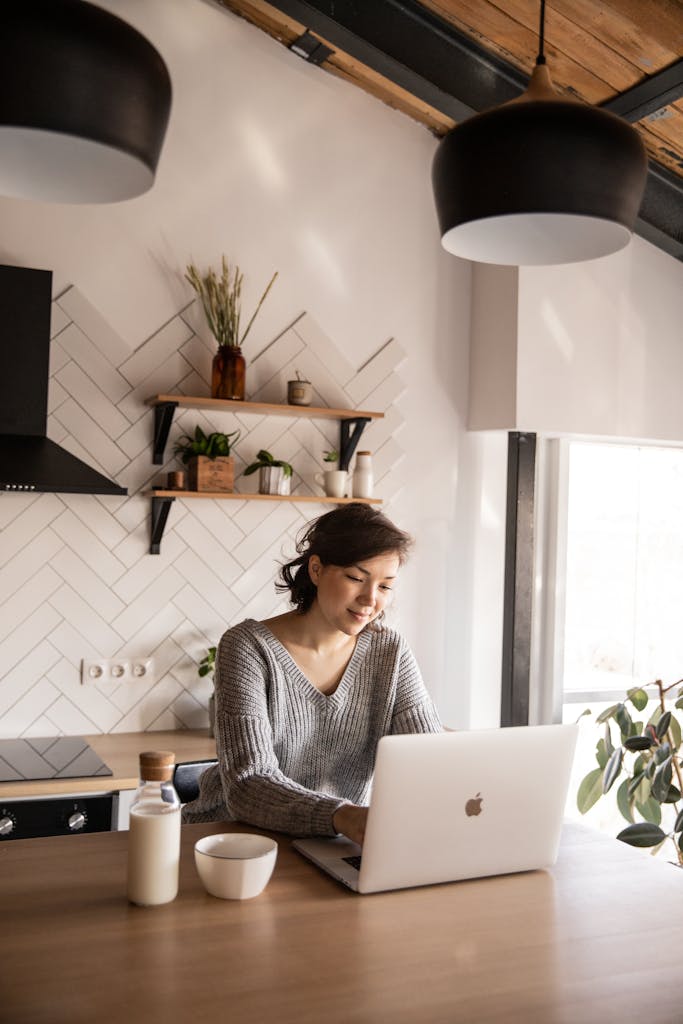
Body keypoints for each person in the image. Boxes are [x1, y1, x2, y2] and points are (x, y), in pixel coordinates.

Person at [182, 502, 442, 845]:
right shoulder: (248, 647)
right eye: (356, 578)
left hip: (332, 841)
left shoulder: (389, 652)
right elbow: (249, 782)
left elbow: (430, 758)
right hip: (230, 840)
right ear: (317, 570)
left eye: (385, 586)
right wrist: (342, 815)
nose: (370, 599)